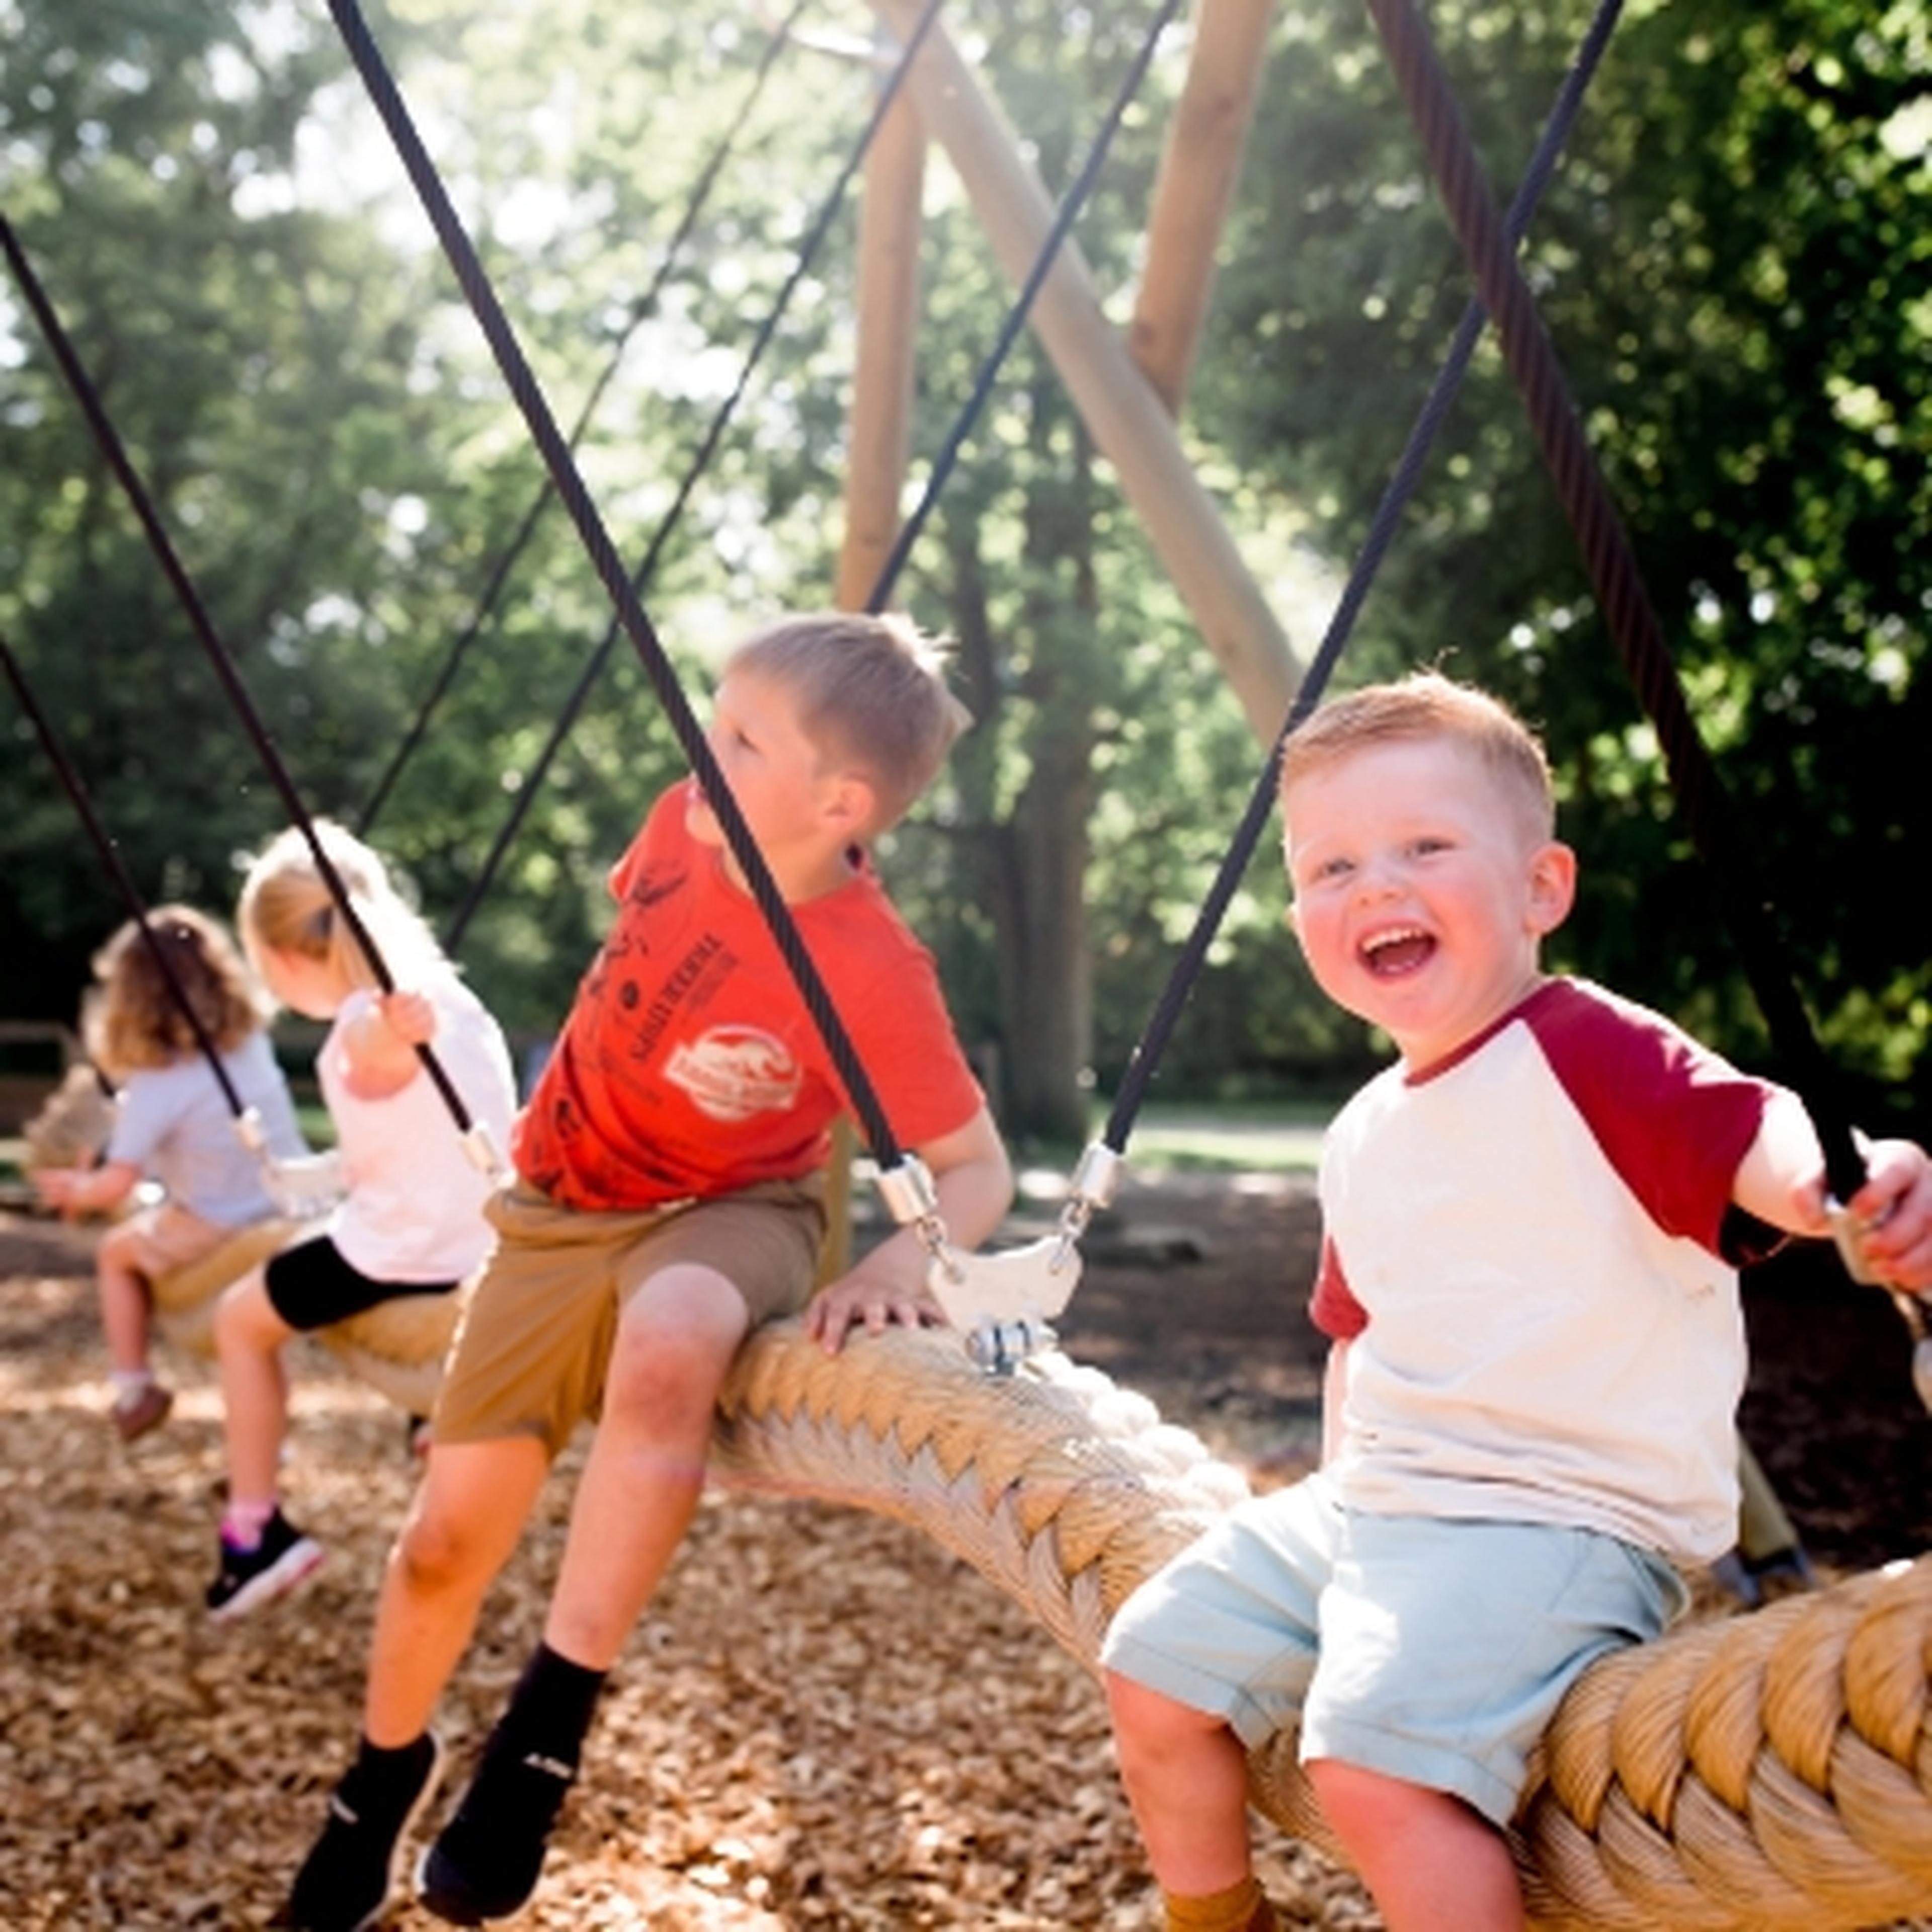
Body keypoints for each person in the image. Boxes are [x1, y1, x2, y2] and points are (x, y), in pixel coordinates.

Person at [1099, 672, 1932, 1932]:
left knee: (1373, 1767)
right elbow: (1357, 1336)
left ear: (1541, 886)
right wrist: (1348, 1538)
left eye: (1423, 846)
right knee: (1150, 1669)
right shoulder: (1364, 1127)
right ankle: (1218, 1918)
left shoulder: (1583, 1045)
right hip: (1385, 1510)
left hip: (1563, 1516)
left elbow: (1748, 1130)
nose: (1373, 884)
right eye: (1331, 867)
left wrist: (1839, 1176)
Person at [284, 611, 1014, 1932]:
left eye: (738, 736)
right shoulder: (687, 819)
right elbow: (628, 980)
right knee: (445, 1547)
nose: (701, 745)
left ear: (838, 802)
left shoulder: (871, 968)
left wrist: (904, 1259)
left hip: (733, 1205)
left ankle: (546, 1729)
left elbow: (977, 1168)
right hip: (557, 1205)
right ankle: (380, 1778)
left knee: (674, 1333)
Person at [206, 821, 517, 1622]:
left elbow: (374, 1051)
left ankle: (254, 1534)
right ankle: (427, 1416)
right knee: (352, 1240)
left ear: (279, 957)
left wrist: (390, 1030)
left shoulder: (363, 1021)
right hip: (482, 1247)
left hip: (399, 1257)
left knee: (240, 1323)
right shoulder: (457, 996)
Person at [32, 906, 309, 1443]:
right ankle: (274, 1453)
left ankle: (134, 1385)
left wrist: (80, 1190)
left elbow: (117, 1184)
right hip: (289, 1205)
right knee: (262, 1341)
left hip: (216, 1222)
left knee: (116, 1252)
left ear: (132, 997)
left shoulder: (157, 1081)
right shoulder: (251, 1045)